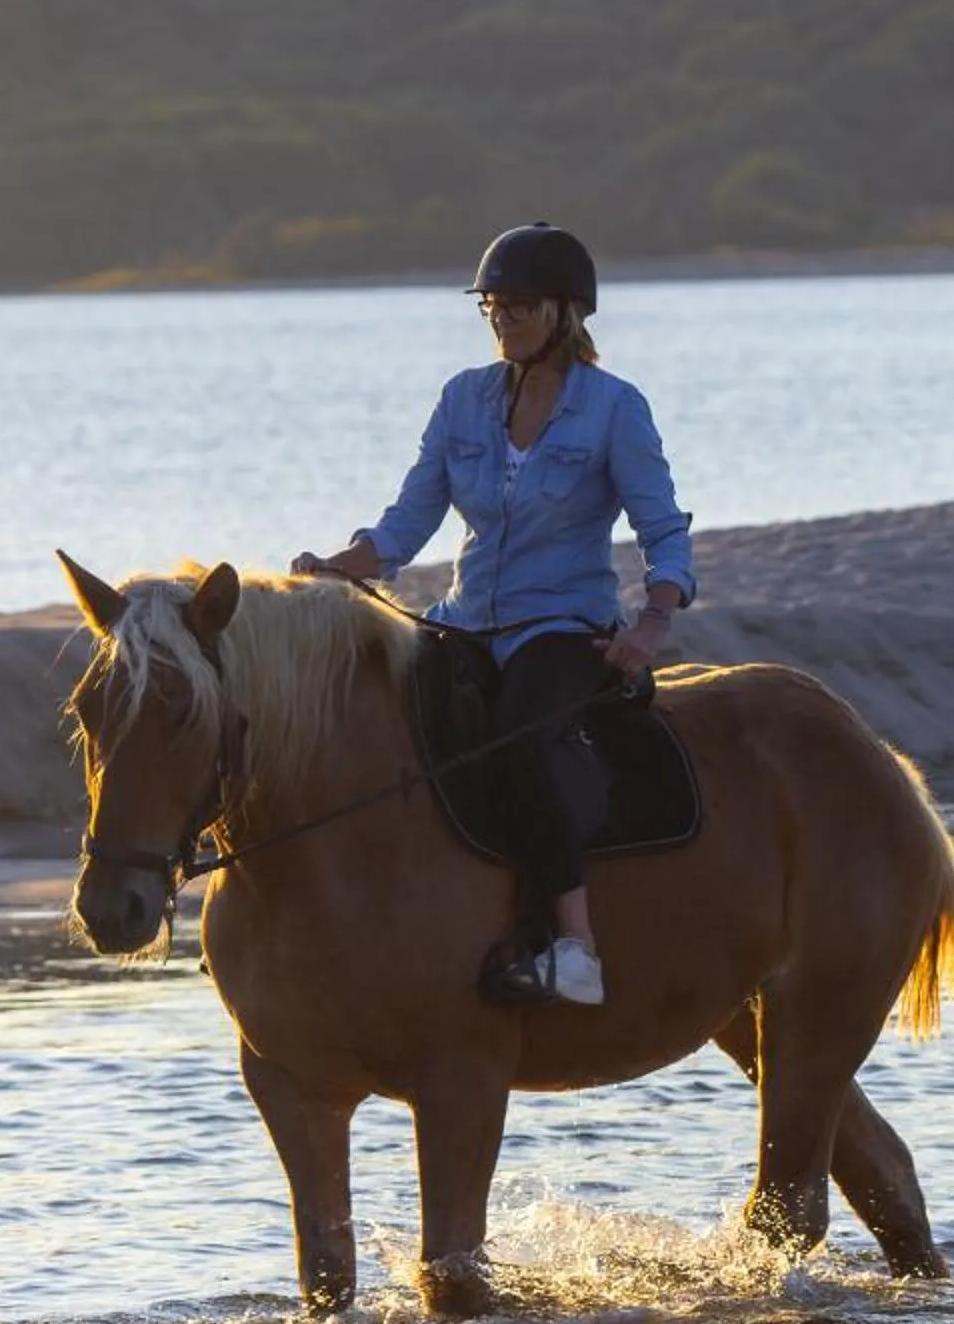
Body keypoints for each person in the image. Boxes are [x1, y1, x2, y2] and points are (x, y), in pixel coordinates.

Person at [291, 222, 694, 1006]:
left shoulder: (615, 409)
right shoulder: (462, 399)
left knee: (518, 743)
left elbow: (663, 531)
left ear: (564, 314)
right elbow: (407, 524)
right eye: (491, 306)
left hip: (563, 628)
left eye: (516, 306)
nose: (500, 319)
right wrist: (338, 567)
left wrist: (652, 621)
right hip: (463, 622)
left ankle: (575, 949)